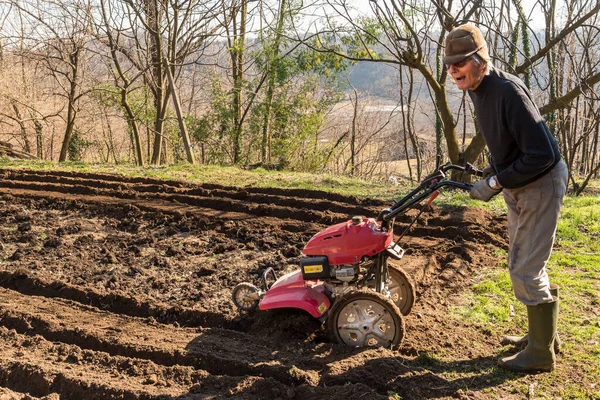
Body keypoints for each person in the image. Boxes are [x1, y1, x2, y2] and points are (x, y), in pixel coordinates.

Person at [443, 24, 568, 373]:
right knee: (524, 261)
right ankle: (542, 338)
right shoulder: (478, 87)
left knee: (525, 268)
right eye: (449, 64)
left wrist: (496, 181)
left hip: (540, 183)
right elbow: (508, 139)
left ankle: (541, 354)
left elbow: (542, 153)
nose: (453, 70)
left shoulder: (508, 91)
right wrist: (493, 169)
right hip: (520, 182)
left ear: (480, 59)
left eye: (460, 63)